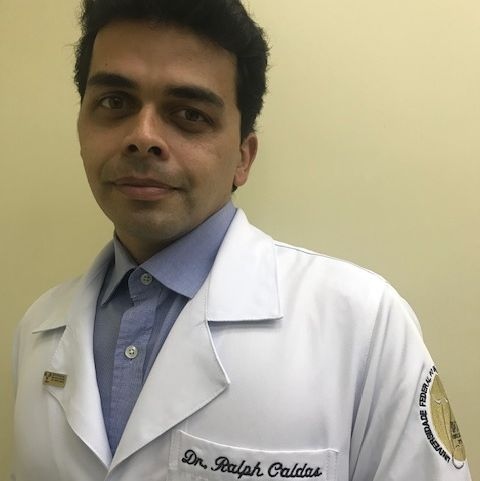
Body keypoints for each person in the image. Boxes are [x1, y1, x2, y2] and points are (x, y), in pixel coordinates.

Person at [11, 0, 472, 480]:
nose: (143, 137)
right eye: (114, 103)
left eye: (189, 114)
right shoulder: (38, 329)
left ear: (242, 158)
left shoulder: (364, 324)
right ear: (81, 126)